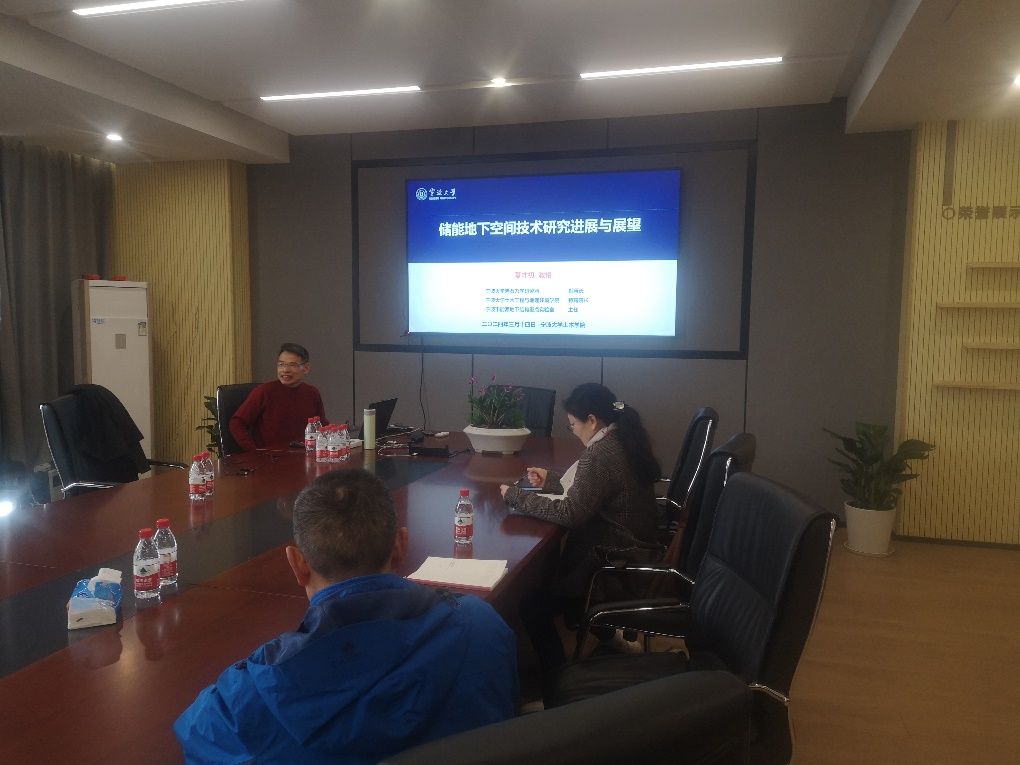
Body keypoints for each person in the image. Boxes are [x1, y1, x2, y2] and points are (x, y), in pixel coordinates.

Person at [174, 469, 518, 764]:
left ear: (297, 563)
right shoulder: (482, 627)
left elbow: (194, 734)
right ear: (401, 546)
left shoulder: (246, 700)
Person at [500, 382, 661, 681]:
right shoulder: (621, 440)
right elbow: (594, 491)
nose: (572, 431)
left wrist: (515, 496)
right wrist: (551, 481)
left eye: (573, 424)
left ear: (592, 420)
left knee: (532, 605)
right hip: (634, 556)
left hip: (613, 571)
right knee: (553, 577)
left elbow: (570, 513)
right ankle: (613, 640)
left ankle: (559, 685)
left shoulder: (601, 454)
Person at [229, 342, 327, 451]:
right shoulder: (264, 392)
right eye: (281, 364)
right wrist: (254, 452)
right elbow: (236, 423)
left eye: (292, 365)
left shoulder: (312, 393)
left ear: (306, 368)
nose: (285, 370)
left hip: (303, 455)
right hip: (271, 457)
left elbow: (322, 424)